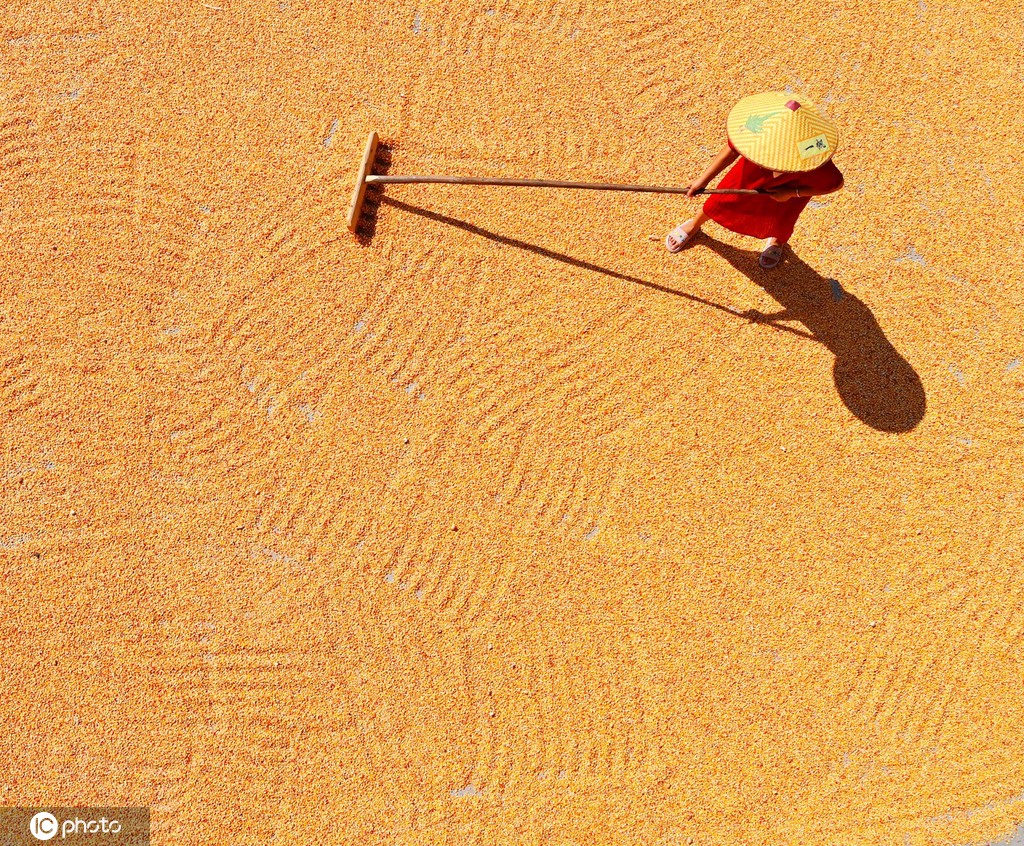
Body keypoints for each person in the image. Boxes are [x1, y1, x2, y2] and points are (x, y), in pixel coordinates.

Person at [665, 92, 844, 269]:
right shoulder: (759, 132)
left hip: (787, 192)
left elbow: (834, 184)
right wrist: (703, 180)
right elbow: (732, 149)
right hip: (749, 175)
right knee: (720, 202)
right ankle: (695, 224)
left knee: (781, 220)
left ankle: (777, 240)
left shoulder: (813, 153)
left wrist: (791, 193)